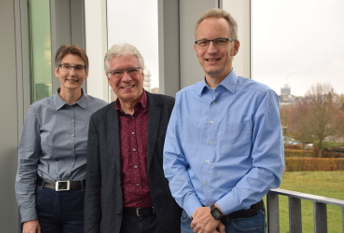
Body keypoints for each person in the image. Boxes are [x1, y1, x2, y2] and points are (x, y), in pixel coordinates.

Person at [163, 8, 285, 233]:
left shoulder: (260, 98)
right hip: (193, 223)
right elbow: (173, 162)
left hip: (243, 224)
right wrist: (197, 211)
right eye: (203, 42)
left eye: (220, 41)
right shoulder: (183, 99)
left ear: (235, 46)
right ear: (195, 49)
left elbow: (269, 168)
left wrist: (217, 211)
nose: (211, 49)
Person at [84, 43, 181, 233]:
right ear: (109, 79)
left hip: (165, 221)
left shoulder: (170, 108)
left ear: (142, 73)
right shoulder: (99, 121)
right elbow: (94, 184)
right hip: (120, 224)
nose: (126, 78)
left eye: (132, 70)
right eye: (118, 72)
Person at [15, 44, 107, 233]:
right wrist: (28, 216)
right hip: (44, 200)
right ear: (57, 71)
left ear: (86, 73)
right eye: (66, 66)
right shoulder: (38, 111)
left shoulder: (101, 111)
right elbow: (26, 166)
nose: (72, 73)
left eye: (78, 67)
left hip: (83, 201)